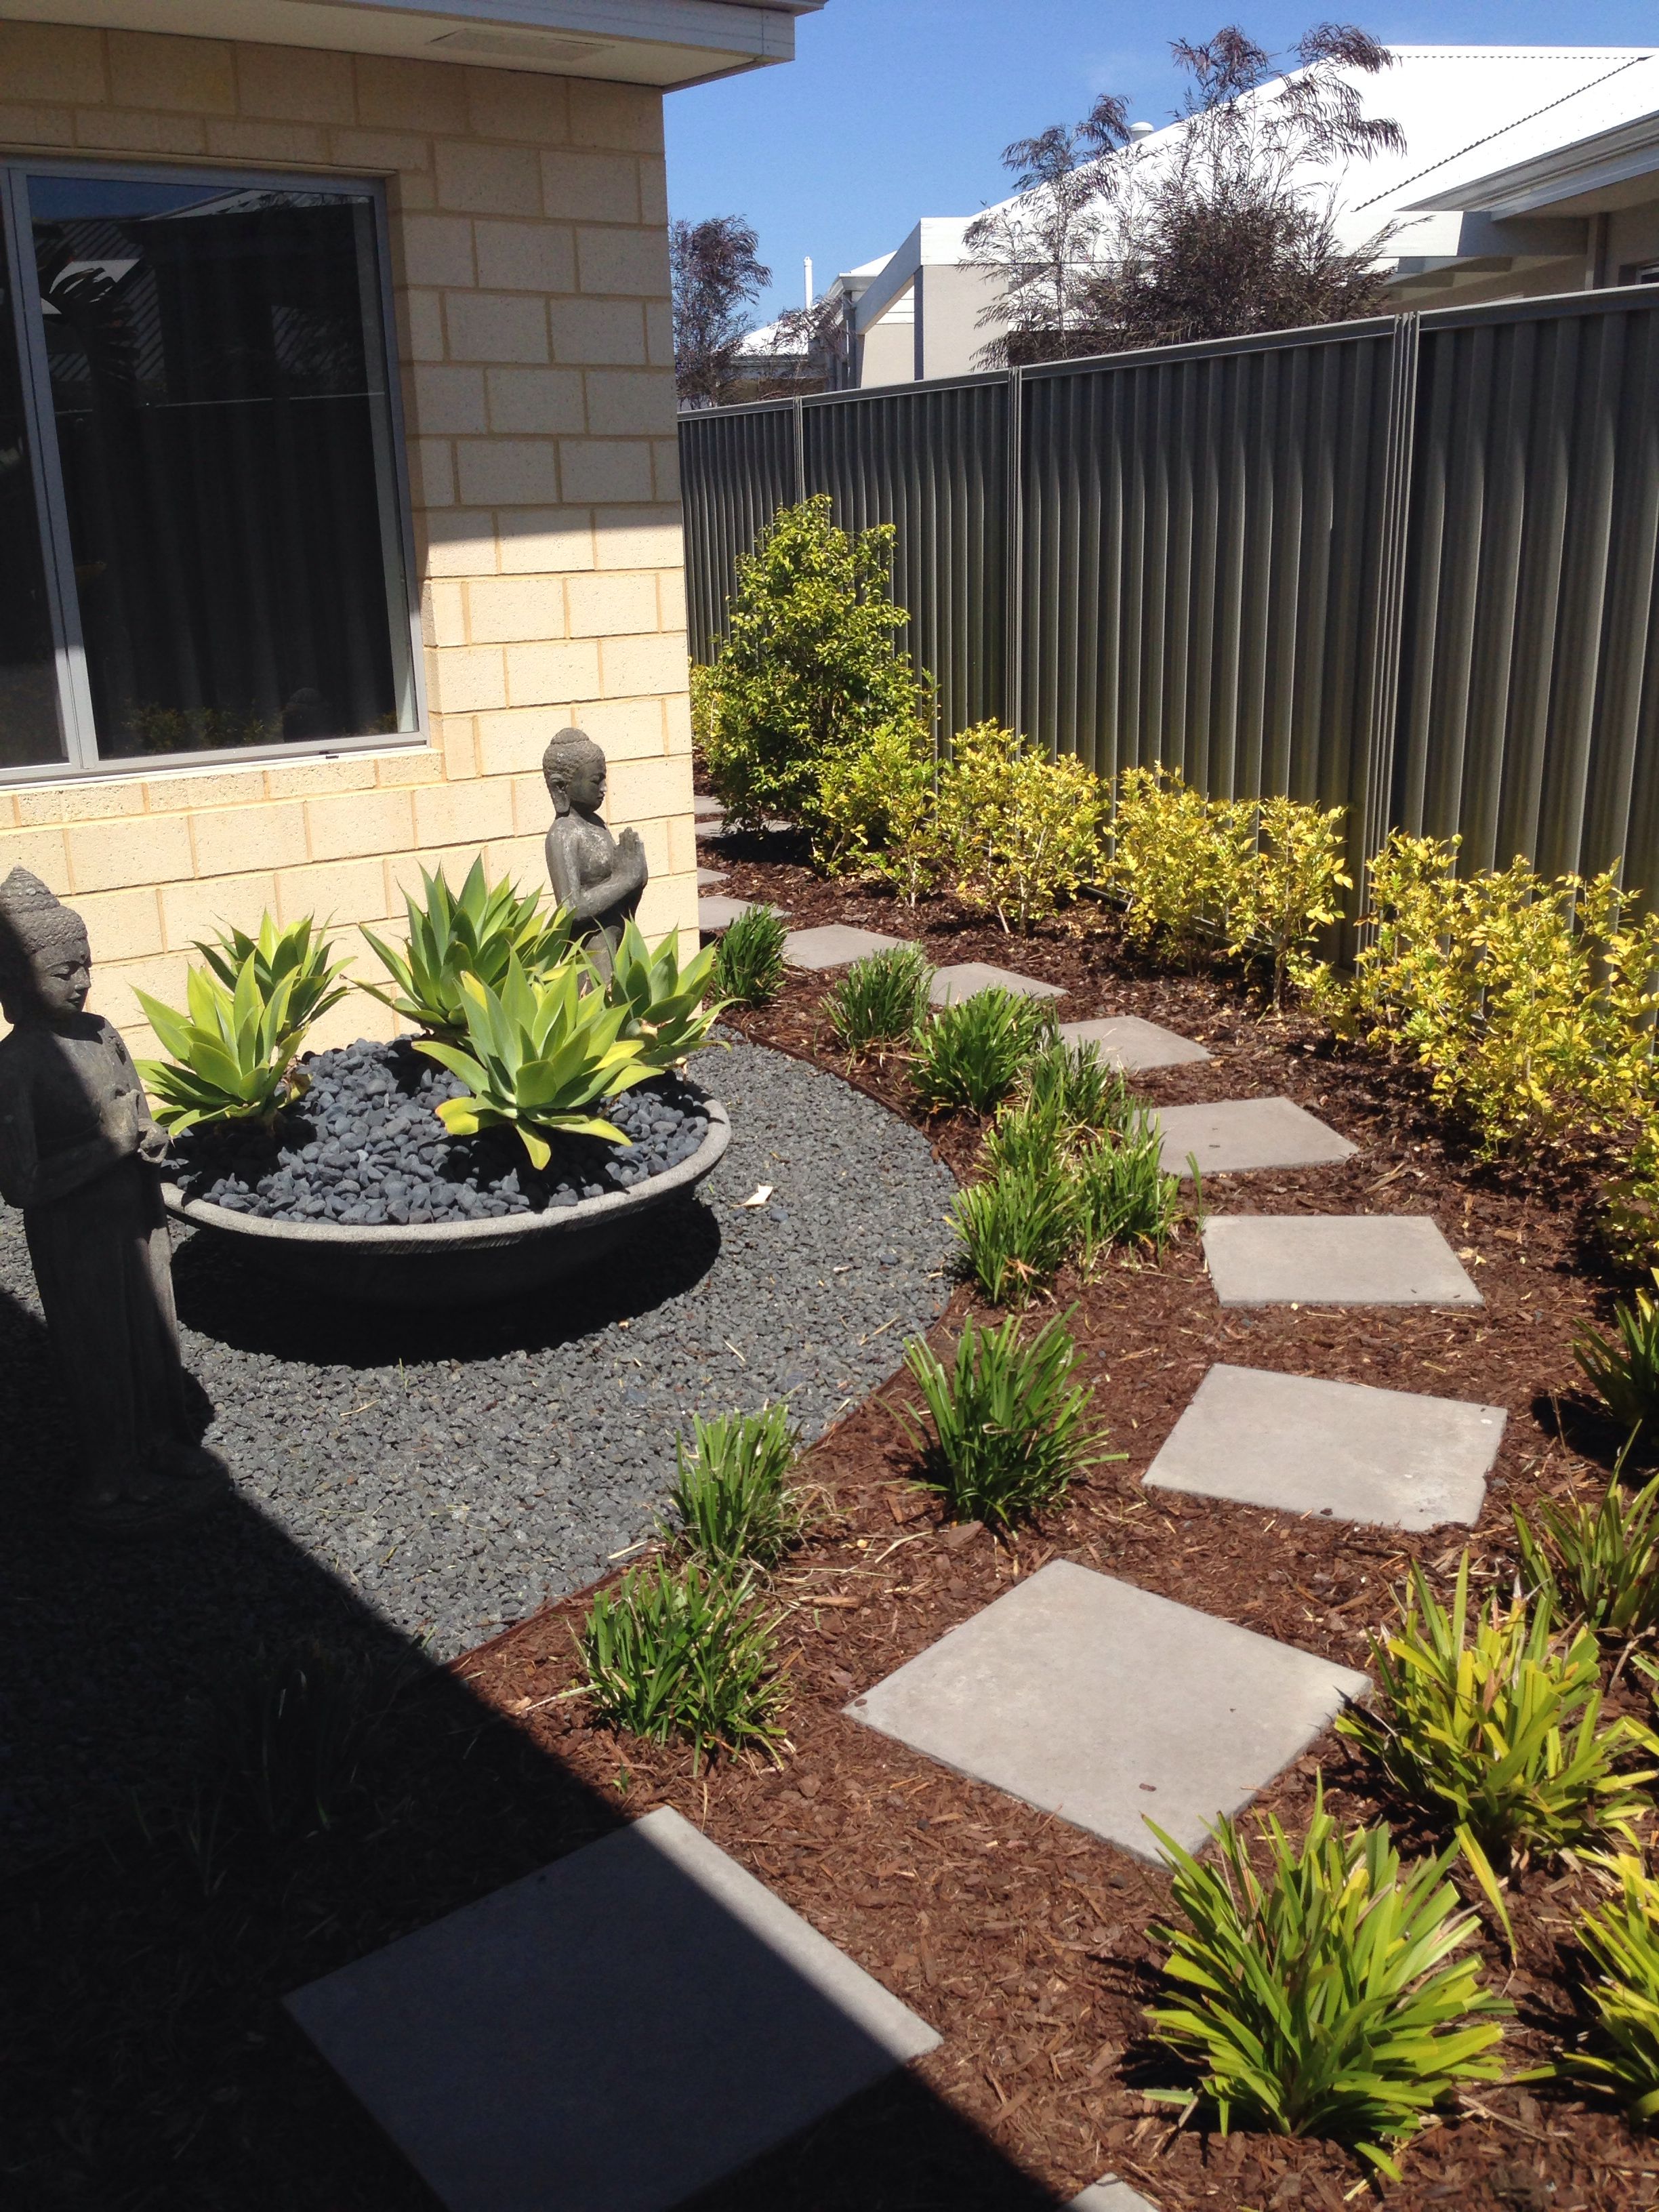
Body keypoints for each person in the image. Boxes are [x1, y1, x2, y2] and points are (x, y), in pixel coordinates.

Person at [0, 868, 222, 1532]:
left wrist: (148, 1138)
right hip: (75, 1232)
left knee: (150, 1333)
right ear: (14, 977)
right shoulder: (18, 1064)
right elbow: (20, 1185)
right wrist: (111, 1147)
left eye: (86, 966)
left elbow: (137, 1117)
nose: (82, 982)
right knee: (98, 1345)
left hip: (133, 1215)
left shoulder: (103, 1034)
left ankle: (158, 1440)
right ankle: (110, 1470)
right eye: (64, 971)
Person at [541, 726, 648, 983]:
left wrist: (638, 876)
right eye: (595, 780)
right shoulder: (563, 834)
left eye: (604, 779)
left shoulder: (598, 825)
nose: (604, 788)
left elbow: (624, 891)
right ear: (560, 786)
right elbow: (571, 910)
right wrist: (625, 880)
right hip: (590, 953)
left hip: (618, 942)